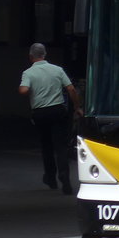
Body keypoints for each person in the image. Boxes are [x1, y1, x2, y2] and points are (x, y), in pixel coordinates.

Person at [18, 42, 81, 195]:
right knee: (61, 146)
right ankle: (65, 178)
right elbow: (71, 89)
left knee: (46, 146)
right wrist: (77, 107)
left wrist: (26, 89)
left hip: (40, 113)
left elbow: (23, 90)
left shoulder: (28, 73)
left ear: (31, 57)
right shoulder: (57, 70)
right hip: (58, 111)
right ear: (45, 54)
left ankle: (51, 177)